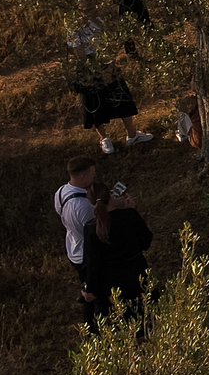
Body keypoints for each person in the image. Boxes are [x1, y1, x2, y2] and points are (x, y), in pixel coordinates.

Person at [66, 18, 152, 155]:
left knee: (122, 97)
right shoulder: (74, 28)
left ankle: (132, 135)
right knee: (95, 103)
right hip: (90, 68)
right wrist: (98, 72)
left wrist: (110, 66)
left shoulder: (98, 20)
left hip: (106, 63)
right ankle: (104, 138)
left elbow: (109, 43)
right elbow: (80, 54)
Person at [53, 157, 103, 331]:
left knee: (88, 286)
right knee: (94, 292)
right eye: (92, 172)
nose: (94, 175)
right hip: (86, 255)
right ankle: (92, 327)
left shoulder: (61, 192)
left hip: (73, 249)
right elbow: (95, 233)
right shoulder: (82, 206)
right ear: (83, 175)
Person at [104, 181, 155, 330]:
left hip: (113, 276)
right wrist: (132, 210)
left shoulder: (95, 226)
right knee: (147, 308)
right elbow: (146, 241)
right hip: (136, 269)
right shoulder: (129, 216)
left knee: (125, 315)